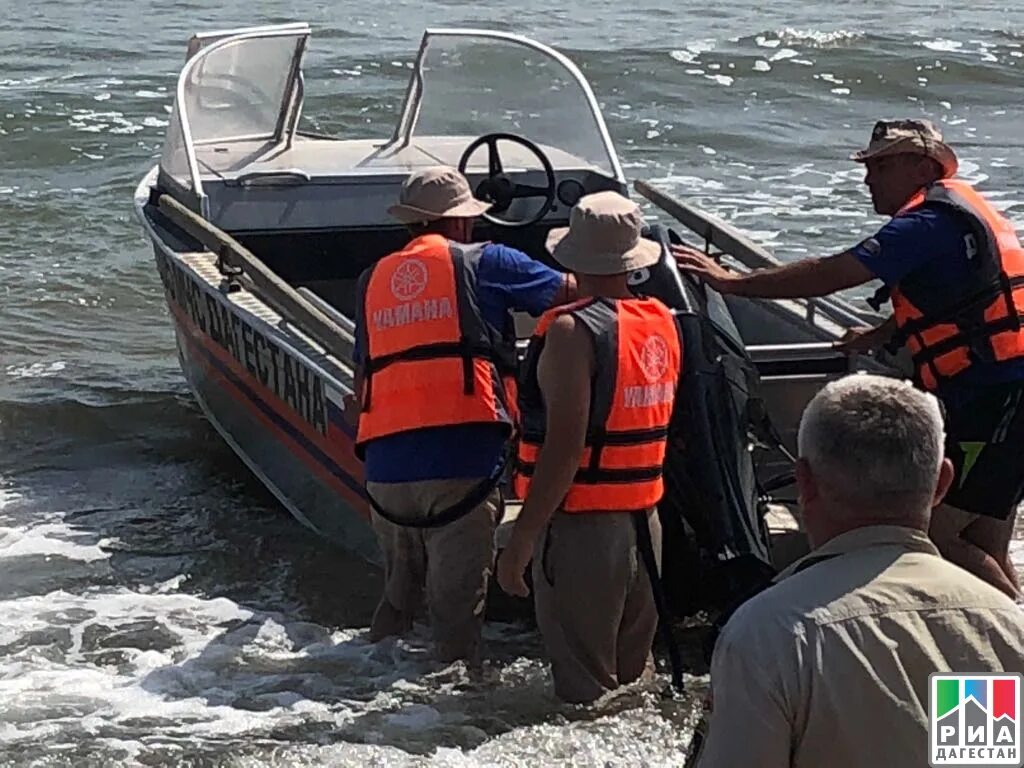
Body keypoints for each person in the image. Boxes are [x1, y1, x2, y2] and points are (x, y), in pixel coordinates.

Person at [675, 119, 1024, 599]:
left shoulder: (925, 223)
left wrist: (731, 282)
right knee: (983, 537)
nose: (867, 178)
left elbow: (831, 273)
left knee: (941, 536)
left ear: (922, 166)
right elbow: (968, 300)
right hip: (1002, 390)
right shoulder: (958, 212)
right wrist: (882, 332)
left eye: (881, 165)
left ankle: (1011, 638)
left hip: (996, 400)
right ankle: (1004, 652)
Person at [687, 373, 1024, 768]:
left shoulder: (767, 634)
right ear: (942, 484)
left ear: (805, 482)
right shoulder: (1001, 626)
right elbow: (977, 760)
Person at [346, 166, 575, 664]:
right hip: (461, 468)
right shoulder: (486, 262)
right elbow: (577, 293)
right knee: (455, 614)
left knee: (398, 598)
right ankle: (456, 712)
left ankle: (363, 676)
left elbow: (364, 378)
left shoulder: (371, 281)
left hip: (385, 474)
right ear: (460, 223)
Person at [496, 191, 683, 703]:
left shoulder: (570, 331)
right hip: (645, 520)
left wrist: (522, 541)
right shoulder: (661, 319)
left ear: (573, 258)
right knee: (629, 679)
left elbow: (564, 447)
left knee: (584, 686)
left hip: (583, 526)